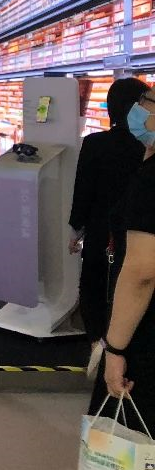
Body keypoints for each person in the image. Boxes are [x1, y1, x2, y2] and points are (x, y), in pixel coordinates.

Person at [70, 78, 147, 352]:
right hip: (140, 236)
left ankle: (97, 345)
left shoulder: (95, 144)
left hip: (100, 233)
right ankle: (122, 349)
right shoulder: (147, 148)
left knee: (93, 286)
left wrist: (75, 228)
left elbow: (84, 190)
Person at [97, 88, 155, 425]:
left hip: (146, 331)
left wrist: (115, 349)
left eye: (147, 101)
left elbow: (142, 273)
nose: (138, 108)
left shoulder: (151, 179)